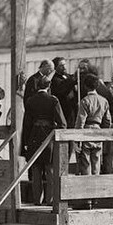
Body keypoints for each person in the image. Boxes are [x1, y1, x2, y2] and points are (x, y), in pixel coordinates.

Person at [21, 76, 66, 204]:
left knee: (36, 170)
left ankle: (37, 200)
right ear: (49, 86)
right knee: (50, 170)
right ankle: (49, 200)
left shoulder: (30, 101)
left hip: (34, 137)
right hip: (49, 137)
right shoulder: (53, 100)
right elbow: (62, 123)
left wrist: (26, 142)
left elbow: (27, 124)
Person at [75, 73, 111, 176]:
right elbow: (107, 120)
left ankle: (87, 186)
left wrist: (77, 138)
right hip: (98, 132)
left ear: (85, 86)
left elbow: (80, 121)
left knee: (85, 163)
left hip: (86, 132)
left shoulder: (85, 101)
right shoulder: (104, 101)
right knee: (96, 162)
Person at [50, 57, 78, 128]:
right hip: (64, 109)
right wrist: (72, 80)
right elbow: (62, 89)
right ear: (55, 67)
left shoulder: (67, 76)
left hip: (73, 108)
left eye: (65, 65)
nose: (64, 67)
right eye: (61, 66)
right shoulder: (55, 79)